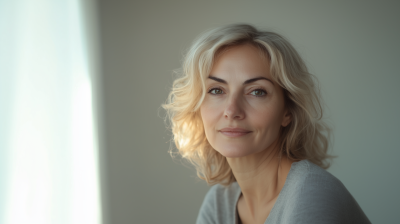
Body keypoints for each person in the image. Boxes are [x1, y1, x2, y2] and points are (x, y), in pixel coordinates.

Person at [162, 24, 371, 224]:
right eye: (216, 90)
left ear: (287, 111)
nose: (232, 111)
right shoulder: (219, 203)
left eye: (257, 92)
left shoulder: (311, 191)